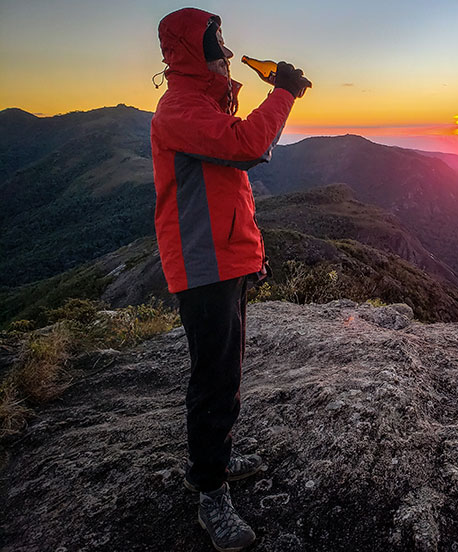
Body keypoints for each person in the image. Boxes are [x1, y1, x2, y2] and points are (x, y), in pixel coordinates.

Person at [150, 7, 310, 551]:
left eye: (220, 37)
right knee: (214, 378)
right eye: (214, 40)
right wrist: (283, 92)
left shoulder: (207, 102)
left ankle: (215, 454)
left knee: (228, 370)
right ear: (192, 49)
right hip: (202, 264)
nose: (223, 47)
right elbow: (249, 147)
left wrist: (251, 253)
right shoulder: (180, 110)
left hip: (225, 257)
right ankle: (210, 490)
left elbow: (229, 188)